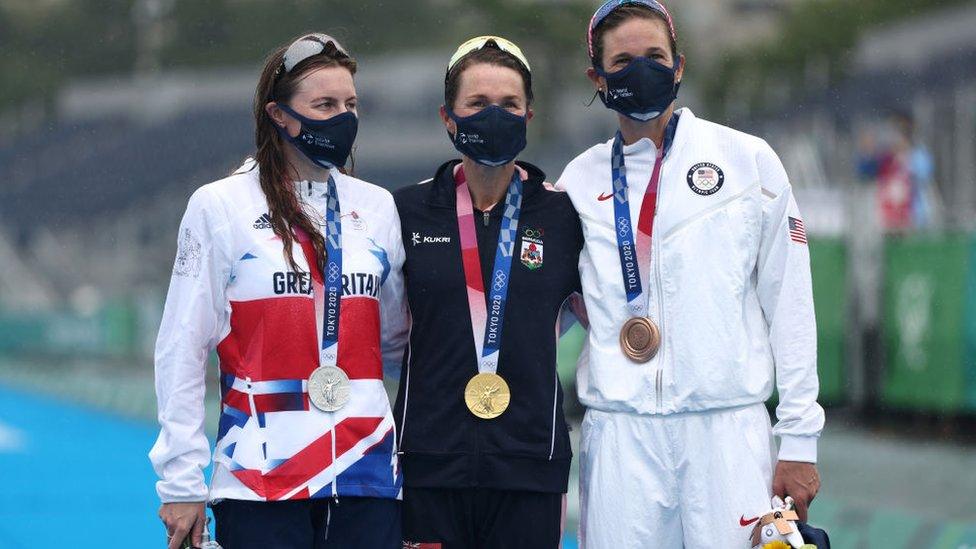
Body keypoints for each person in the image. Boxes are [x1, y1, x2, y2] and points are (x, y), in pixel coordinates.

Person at [555, 2, 825, 547]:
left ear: (679, 65)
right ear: (597, 78)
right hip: (619, 434)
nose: (641, 70)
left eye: (654, 56)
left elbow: (790, 304)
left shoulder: (747, 161)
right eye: (623, 60)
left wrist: (799, 439)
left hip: (727, 433)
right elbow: (545, 313)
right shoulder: (577, 183)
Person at [149, 33, 406, 549]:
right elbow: (182, 345)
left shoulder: (377, 208)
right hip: (258, 480)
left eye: (351, 104)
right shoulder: (219, 206)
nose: (343, 117)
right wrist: (181, 480)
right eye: (325, 105)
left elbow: (395, 340)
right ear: (278, 115)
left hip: (366, 475)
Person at [390, 36, 583, 548]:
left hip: (529, 466)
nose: (493, 116)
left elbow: (602, 320)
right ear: (447, 117)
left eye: (509, 105)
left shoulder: (564, 217)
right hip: (429, 465)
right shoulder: (405, 213)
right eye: (477, 104)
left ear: (528, 116)